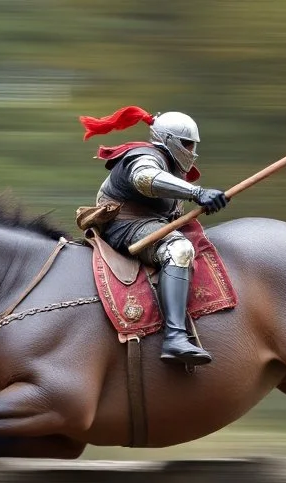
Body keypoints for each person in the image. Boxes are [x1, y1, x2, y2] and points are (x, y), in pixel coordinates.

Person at [77, 106, 229, 367]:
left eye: (193, 145)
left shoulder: (170, 165)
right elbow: (144, 177)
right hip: (126, 227)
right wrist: (197, 193)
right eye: (187, 144)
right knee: (178, 250)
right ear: (169, 140)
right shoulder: (144, 155)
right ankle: (175, 338)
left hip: (149, 224)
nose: (191, 151)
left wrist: (203, 199)